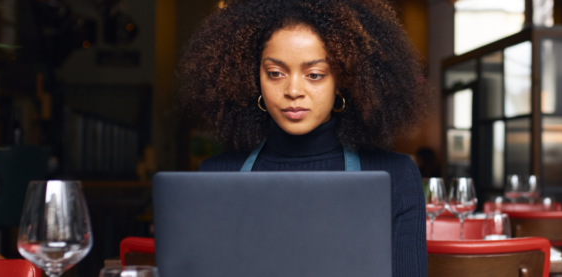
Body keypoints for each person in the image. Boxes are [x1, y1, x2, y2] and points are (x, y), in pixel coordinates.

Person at [179, 0, 428, 275]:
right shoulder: (214, 177)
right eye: (275, 73)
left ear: (344, 78)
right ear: (252, 77)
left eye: (315, 74)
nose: (293, 90)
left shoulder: (397, 176)